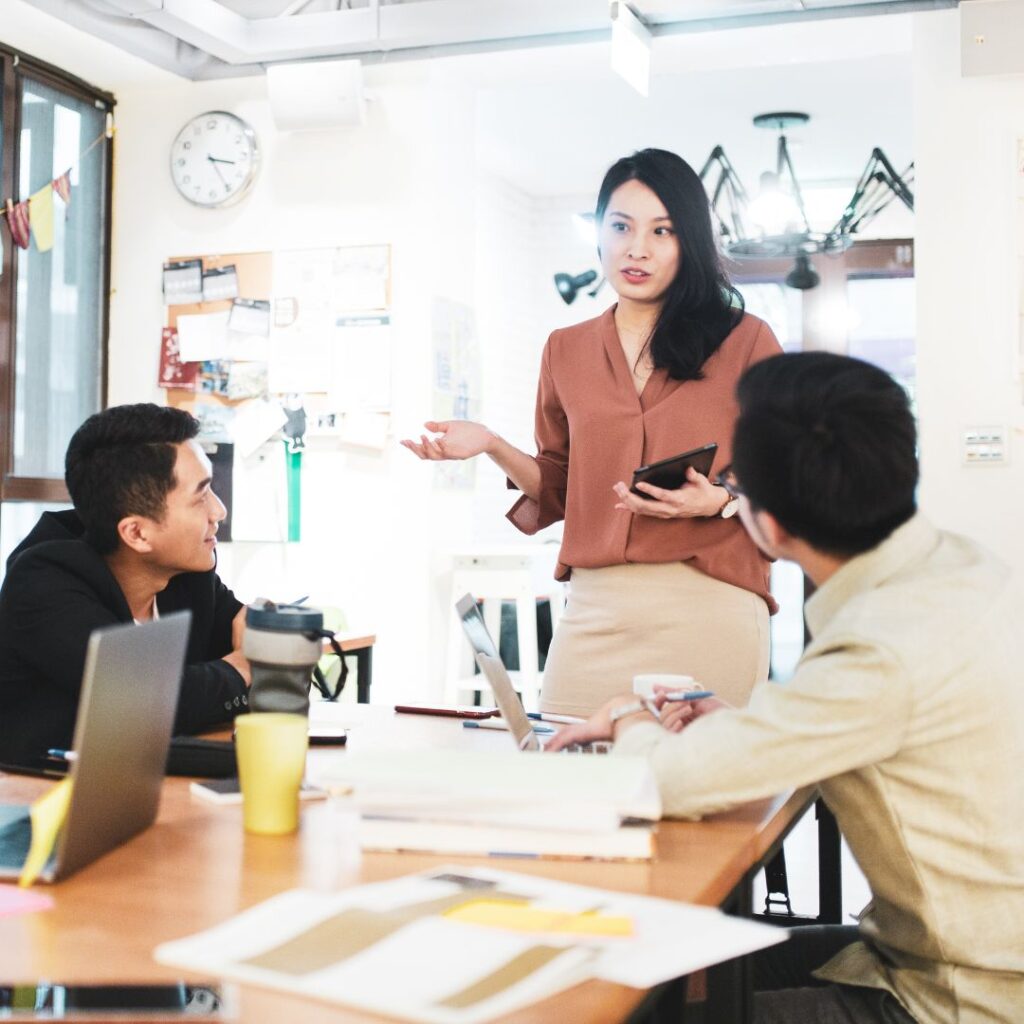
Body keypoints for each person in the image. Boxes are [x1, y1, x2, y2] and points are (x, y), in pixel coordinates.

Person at [548, 353, 1024, 1024]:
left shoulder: (877, 649)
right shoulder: (969, 568)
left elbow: (668, 781)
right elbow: (868, 712)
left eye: (734, 486)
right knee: (688, 967)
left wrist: (626, 712)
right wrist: (752, 722)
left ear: (767, 527)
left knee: (644, 1004)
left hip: (956, 998)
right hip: (942, 954)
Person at [402, 148, 782, 716]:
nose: (637, 248)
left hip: (710, 603)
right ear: (599, 233)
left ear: (690, 242)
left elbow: (790, 471)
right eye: (621, 226)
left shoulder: (746, 340)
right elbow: (558, 487)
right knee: (568, 780)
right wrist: (492, 445)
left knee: (697, 794)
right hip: (595, 609)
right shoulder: (566, 348)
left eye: (662, 231)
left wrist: (722, 500)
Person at [0, 403, 251, 767]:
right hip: (36, 804)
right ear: (137, 533)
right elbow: (144, 702)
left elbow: (249, 647)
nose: (218, 511)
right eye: (201, 496)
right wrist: (242, 667)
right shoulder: (43, 582)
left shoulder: (187, 573)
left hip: (148, 788)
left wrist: (267, 639)